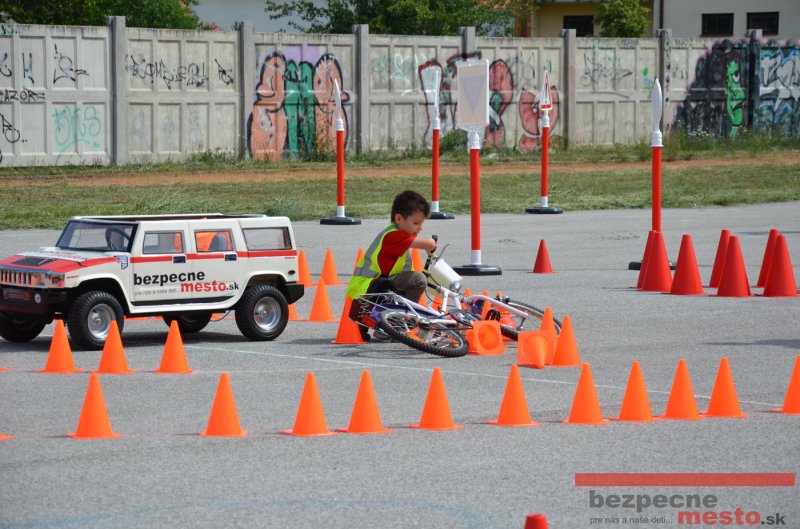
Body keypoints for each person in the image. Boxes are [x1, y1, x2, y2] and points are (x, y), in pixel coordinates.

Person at [346, 190, 438, 341]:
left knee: (413, 279)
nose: (419, 228)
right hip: (368, 288)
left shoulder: (395, 233)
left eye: (421, 224)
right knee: (419, 280)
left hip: (376, 286)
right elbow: (427, 243)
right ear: (399, 218)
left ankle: (391, 324)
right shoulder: (393, 236)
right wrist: (431, 244)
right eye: (416, 223)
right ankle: (394, 324)